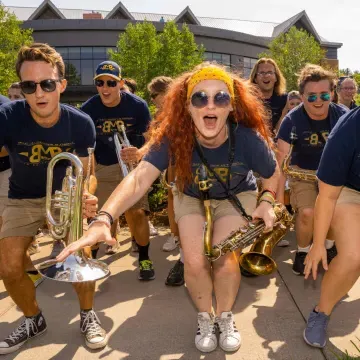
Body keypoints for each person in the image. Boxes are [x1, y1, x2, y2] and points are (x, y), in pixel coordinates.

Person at [58, 63, 280, 353]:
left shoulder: (248, 139)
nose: (210, 105)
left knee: (225, 258)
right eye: (200, 98)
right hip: (190, 195)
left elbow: (273, 173)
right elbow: (139, 179)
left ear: (231, 107)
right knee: (194, 260)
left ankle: (225, 317)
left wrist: (267, 201)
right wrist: (103, 218)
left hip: (235, 195)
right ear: (187, 106)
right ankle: (204, 316)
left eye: (220, 98)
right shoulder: (174, 136)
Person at [0, 43, 108, 354]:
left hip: (65, 197)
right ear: (22, 88)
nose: (38, 93)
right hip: (21, 198)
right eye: (29, 86)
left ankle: (88, 315)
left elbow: (88, 173)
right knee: (8, 267)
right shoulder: (6, 117)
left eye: (47, 83)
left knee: (81, 256)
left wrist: (86, 194)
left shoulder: (80, 122)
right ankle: (33, 319)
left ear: (61, 85)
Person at [81, 60, 155, 280]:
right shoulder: (89, 108)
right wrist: (89, 176)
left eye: (111, 83)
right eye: (100, 83)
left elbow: (152, 139)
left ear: (120, 83)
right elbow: (85, 146)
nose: (105, 88)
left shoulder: (137, 105)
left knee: (137, 213)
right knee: (96, 216)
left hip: (132, 168)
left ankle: (144, 259)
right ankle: (90, 260)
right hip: (103, 167)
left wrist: (140, 152)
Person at [276, 64, 347, 276]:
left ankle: (328, 245)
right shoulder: (290, 121)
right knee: (307, 213)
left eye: (324, 95)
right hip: (303, 173)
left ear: (333, 94)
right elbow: (281, 165)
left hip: (335, 175)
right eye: (311, 96)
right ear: (302, 96)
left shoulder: (344, 116)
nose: (318, 101)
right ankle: (303, 250)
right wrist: (279, 199)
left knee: (335, 212)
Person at [302, 107, 360, 348]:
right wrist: (318, 245)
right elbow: (327, 196)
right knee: (353, 256)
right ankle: (321, 312)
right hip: (348, 191)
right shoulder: (349, 128)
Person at [148, 76, 184, 286]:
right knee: (173, 197)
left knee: (186, 199)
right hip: (171, 161)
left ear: (165, 93)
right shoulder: (159, 114)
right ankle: (175, 235)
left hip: (188, 160)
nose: (152, 100)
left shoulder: (183, 108)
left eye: (155, 95)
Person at [249, 58, 287, 134]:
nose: (266, 76)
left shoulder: (286, 100)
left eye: (270, 72)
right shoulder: (248, 100)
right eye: (262, 73)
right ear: (255, 78)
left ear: (276, 77)